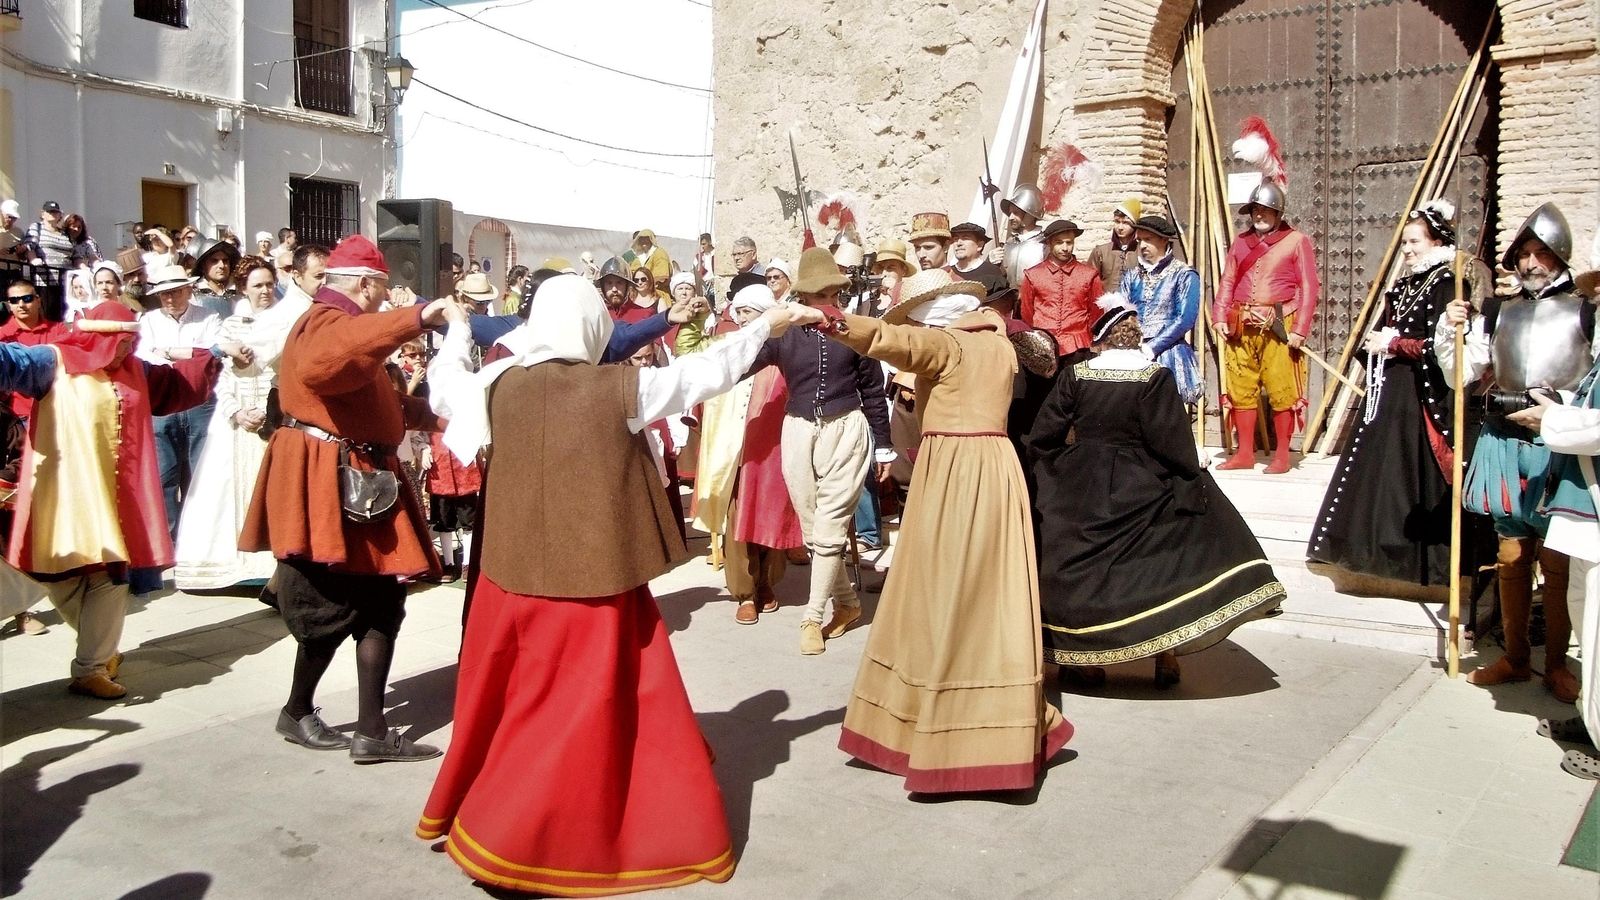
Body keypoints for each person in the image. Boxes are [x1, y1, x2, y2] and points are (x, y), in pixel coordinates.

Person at [417, 275, 807, 894]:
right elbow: (705, 373)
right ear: (593, 324)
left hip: (509, 582)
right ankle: (534, 835)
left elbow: (443, 387)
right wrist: (766, 326)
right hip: (595, 585)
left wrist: (459, 331)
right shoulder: (621, 386)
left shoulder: (497, 384)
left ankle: (502, 821)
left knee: (515, 703)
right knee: (581, 713)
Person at [795, 269, 1074, 793]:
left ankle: (953, 729)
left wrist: (827, 317)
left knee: (940, 592)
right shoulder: (1000, 343)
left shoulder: (948, 346)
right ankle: (1009, 719)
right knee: (988, 595)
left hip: (957, 471)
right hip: (994, 464)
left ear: (935, 314)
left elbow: (885, 339)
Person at [239, 235, 457, 762]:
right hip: (335, 480)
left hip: (352, 478)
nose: (384, 302)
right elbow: (323, 366)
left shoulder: (342, 327)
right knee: (337, 603)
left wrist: (439, 419)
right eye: (380, 293)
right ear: (365, 284)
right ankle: (319, 718)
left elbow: (373, 400)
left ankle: (357, 727)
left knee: (375, 601)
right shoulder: (328, 324)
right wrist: (419, 315)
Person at [1030, 298, 1286, 686]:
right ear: (1134, 340)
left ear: (1100, 341)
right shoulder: (1153, 377)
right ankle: (1164, 653)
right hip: (1139, 474)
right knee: (1161, 558)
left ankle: (1082, 657)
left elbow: (1045, 433)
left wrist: (1051, 469)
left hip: (1082, 477)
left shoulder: (1077, 375)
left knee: (1070, 558)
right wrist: (1189, 471)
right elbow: (1169, 438)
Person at [0, 301, 222, 698]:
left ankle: (91, 666)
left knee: (111, 575)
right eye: (121, 341)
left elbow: (180, 382)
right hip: (64, 495)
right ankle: (99, 650)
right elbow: (9, 362)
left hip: (117, 499)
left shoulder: (135, 369)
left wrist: (215, 354)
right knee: (62, 577)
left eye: (131, 340)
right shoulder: (52, 361)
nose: (128, 349)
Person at [1436, 202, 1586, 703]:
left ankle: (1558, 665)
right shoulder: (1498, 312)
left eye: (1541, 252)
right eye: (1523, 253)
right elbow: (1465, 372)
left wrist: (1559, 409)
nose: (1531, 262)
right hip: (1504, 437)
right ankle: (1517, 658)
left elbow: (1592, 381)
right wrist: (1452, 329)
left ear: (1559, 255)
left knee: (1558, 559)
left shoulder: (1587, 310)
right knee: (1511, 554)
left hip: (1559, 442)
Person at [748, 247, 894, 655]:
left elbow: (872, 391)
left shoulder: (856, 328)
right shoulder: (785, 333)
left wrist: (882, 446)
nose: (826, 300)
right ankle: (848, 605)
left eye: (832, 292)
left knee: (829, 530)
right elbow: (746, 362)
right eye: (817, 294)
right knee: (815, 532)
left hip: (847, 429)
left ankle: (812, 617)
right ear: (803, 296)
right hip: (797, 430)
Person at [1307, 201, 1461, 586]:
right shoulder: (1405, 284)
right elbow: (1384, 329)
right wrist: (1376, 343)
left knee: (1407, 473)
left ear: (1436, 240)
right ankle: (1368, 552)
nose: (1406, 249)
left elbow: (1443, 348)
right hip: (1388, 389)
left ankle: (1409, 559)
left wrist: (1395, 345)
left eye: (1414, 242)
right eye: (1404, 243)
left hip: (1418, 395)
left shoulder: (1447, 283)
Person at [678, 284, 804, 624]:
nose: (743, 317)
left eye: (750, 312)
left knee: (773, 515)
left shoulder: (786, 349)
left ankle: (767, 583)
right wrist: (696, 317)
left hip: (774, 448)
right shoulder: (727, 346)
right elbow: (688, 352)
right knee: (737, 521)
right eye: (741, 311)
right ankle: (745, 592)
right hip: (734, 450)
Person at [1509, 364, 1600, 779]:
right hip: (1586, 513)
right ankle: (1593, 718)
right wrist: (1561, 406)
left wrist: (1553, 419)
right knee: (1588, 621)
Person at [174, 258, 282, 590]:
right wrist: (236, 412)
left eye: (268, 284)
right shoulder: (232, 326)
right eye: (257, 286)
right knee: (234, 490)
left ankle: (278, 570)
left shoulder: (286, 322)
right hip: (240, 420)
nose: (264, 291)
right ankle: (241, 568)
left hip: (277, 416)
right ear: (243, 289)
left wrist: (271, 410)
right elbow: (219, 379)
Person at [1212, 182, 1322, 474]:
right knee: (1240, 388)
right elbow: (1227, 282)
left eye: (1265, 210)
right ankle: (1245, 453)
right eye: (1255, 210)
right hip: (1241, 323)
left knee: (1281, 388)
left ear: (1278, 211)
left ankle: (1282, 456)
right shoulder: (1240, 242)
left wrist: (1299, 329)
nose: (1259, 215)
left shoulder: (1297, 241)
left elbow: (1309, 287)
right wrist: (1220, 316)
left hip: (1277, 323)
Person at [138, 263, 228, 538]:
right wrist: (193, 355)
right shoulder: (148, 320)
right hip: (162, 402)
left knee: (200, 472)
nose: (169, 298)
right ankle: (169, 537)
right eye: (164, 294)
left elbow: (213, 356)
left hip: (200, 402)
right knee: (164, 473)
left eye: (175, 292)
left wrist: (167, 351)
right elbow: (146, 358)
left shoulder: (209, 317)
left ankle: (199, 537)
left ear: (189, 290)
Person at [1121, 215, 1201, 404]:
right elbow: (1121, 313)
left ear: (1164, 240)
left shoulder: (1184, 275)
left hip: (1169, 353)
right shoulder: (1131, 276)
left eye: (1148, 240)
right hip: (1133, 352)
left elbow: (1185, 319)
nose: (1142, 246)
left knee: (1167, 414)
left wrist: (1152, 347)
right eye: (1140, 240)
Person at [1087, 198, 1142, 290]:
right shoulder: (1100, 252)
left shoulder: (1141, 251)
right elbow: (1089, 281)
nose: (1120, 227)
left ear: (1134, 225)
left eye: (1125, 223)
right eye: (1117, 222)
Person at [1001, 183, 1047, 289]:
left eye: (1016, 213)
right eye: (1010, 213)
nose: (1010, 217)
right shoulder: (1009, 242)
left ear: (1029, 214)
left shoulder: (1044, 243)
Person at [947, 221, 1008, 294]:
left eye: (965, 238)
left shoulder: (992, 272)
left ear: (979, 245)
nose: (959, 243)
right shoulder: (948, 273)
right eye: (956, 239)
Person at [191, 238, 243, 318]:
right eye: (214, 261)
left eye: (225, 261)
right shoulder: (192, 294)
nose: (222, 266)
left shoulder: (240, 292)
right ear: (202, 266)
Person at [23, 201, 73, 273]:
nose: (53, 214)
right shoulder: (37, 227)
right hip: (46, 277)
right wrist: (33, 260)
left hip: (66, 277)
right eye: (50, 212)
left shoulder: (65, 233)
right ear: (43, 214)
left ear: (60, 214)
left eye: (56, 212)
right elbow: (29, 246)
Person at [632, 228, 673, 297]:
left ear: (651, 240)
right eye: (641, 239)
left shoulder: (660, 253)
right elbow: (632, 272)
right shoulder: (639, 257)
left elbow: (661, 278)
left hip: (658, 294)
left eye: (646, 238)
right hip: (640, 294)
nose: (644, 241)